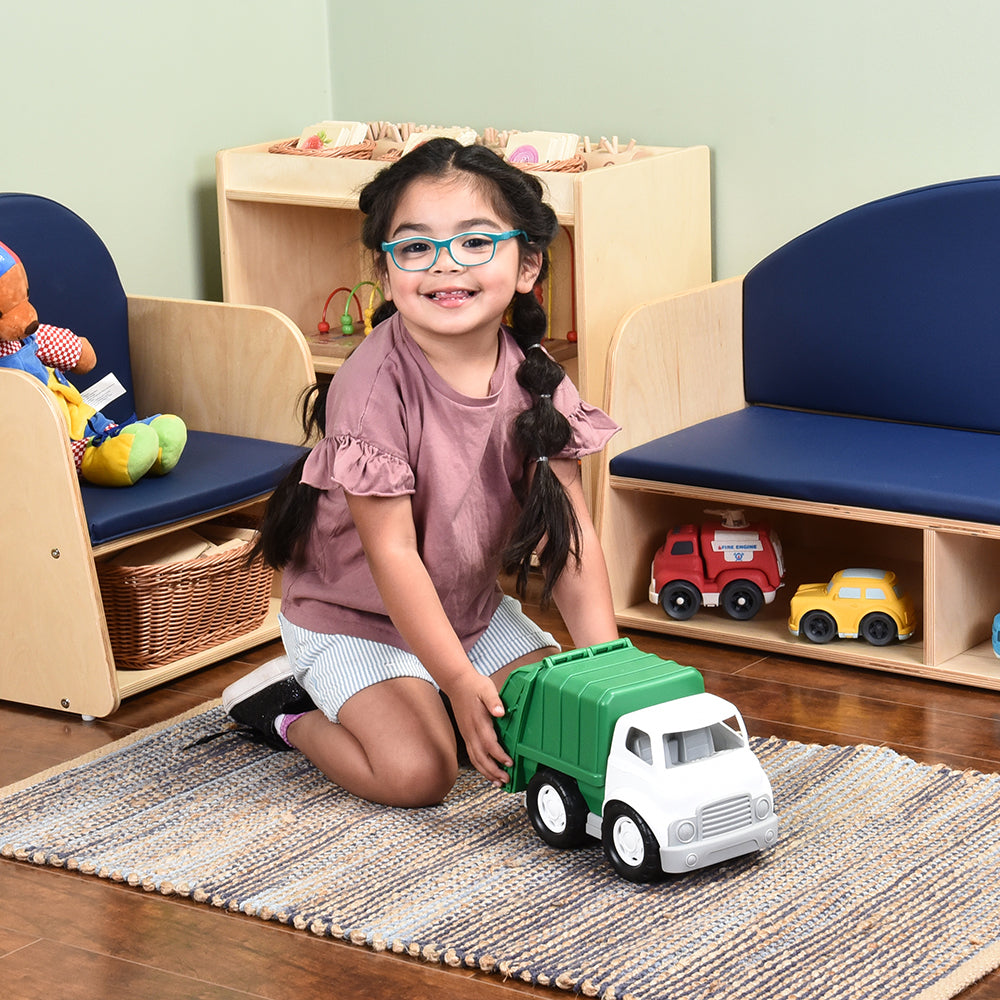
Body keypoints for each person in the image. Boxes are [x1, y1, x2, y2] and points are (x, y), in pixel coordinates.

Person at [223, 138, 620, 808]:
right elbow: (394, 556)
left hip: (467, 611)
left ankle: (433, 692)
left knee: (564, 726)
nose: (444, 267)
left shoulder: (538, 379)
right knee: (418, 775)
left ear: (528, 265)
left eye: (474, 243)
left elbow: (571, 538)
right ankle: (285, 711)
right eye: (415, 247)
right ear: (385, 270)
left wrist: (609, 670)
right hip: (355, 618)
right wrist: (461, 681)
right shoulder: (373, 386)